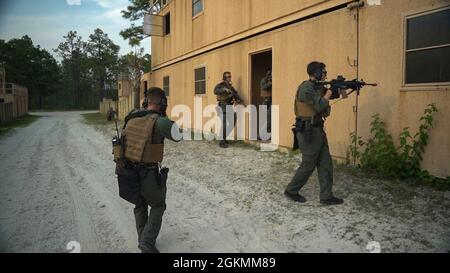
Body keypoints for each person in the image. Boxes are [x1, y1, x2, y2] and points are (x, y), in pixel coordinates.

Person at [115, 87, 182, 253]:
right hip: (147, 173)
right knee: (158, 205)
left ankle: (143, 238)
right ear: (162, 103)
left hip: (126, 170)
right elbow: (178, 135)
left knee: (139, 204)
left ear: (145, 102)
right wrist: (165, 117)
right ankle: (147, 241)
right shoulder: (160, 121)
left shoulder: (131, 117)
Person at [284, 62, 344, 206]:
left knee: (325, 163)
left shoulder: (318, 87)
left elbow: (330, 95)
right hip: (308, 131)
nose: (325, 74)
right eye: (323, 72)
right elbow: (319, 105)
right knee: (308, 164)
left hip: (318, 129)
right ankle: (291, 190)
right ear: (316, 73)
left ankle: (326, 196)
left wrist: (343, 87)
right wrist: (329, 92)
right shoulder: (306, 88)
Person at [214, 72, 242, 148]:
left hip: (229, 106)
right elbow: (215, 91)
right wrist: (224, 89)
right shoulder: (220, 85)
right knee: (224, 124)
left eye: (230, 76)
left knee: (233, 122)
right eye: (228, 77)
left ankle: (223, 137)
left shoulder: (231, 87)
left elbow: (235, 94)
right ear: (224, 78)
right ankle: (222, 142)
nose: (230, 78)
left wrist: (237, 99)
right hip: (222, 106)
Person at [260, 70, 272, 135]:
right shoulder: (264, 80)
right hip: (266, 100)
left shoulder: (271, 79)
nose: (270, 75)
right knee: (265, 117)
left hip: (270, 100)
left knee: (269, 117)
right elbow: (263, 87)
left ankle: (267, 132)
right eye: (269, 74)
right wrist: (270, 83)